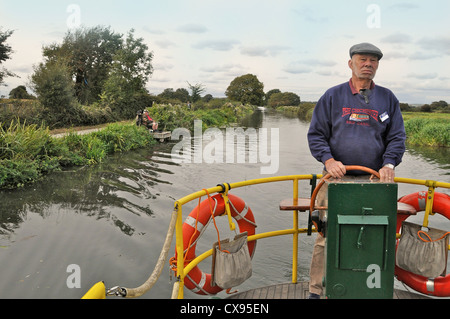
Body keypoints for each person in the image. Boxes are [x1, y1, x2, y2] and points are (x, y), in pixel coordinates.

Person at [306, 43, 406, 299]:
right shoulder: (332, 96)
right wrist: (328, 161)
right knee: (326, 238)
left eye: (373, 61)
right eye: (363, 59)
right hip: (335, 180)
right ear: (350, 63)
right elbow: (316, 135)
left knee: (372, 235)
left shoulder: (388, 98)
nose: (368, 64)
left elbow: (396, 138)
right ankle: (316, 290)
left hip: (374, 181)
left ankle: (367, 289)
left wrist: (389, 164)